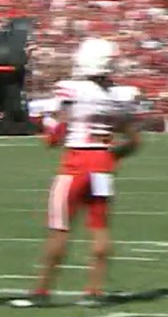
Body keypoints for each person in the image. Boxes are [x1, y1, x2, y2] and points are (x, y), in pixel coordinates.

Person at [10, 38, 142, 309]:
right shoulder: (120, 95)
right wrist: (110, 156)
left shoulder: (72, 89)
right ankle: (94, 292)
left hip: (76, 164)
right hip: (103, 164)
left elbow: (55, 136)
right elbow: (134, 141)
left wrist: (45, 127)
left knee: (59, 229)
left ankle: (42, 292)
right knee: (100, 227)